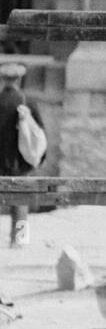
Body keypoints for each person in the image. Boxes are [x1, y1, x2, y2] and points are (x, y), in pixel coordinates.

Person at [0, 60, 46, 248]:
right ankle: (19, 239)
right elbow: (39, 132)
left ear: (3, 79)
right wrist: (38, 159)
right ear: (20, 78)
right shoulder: (28, 101)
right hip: (21, 161)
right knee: (20, 201)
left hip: (0, 160)